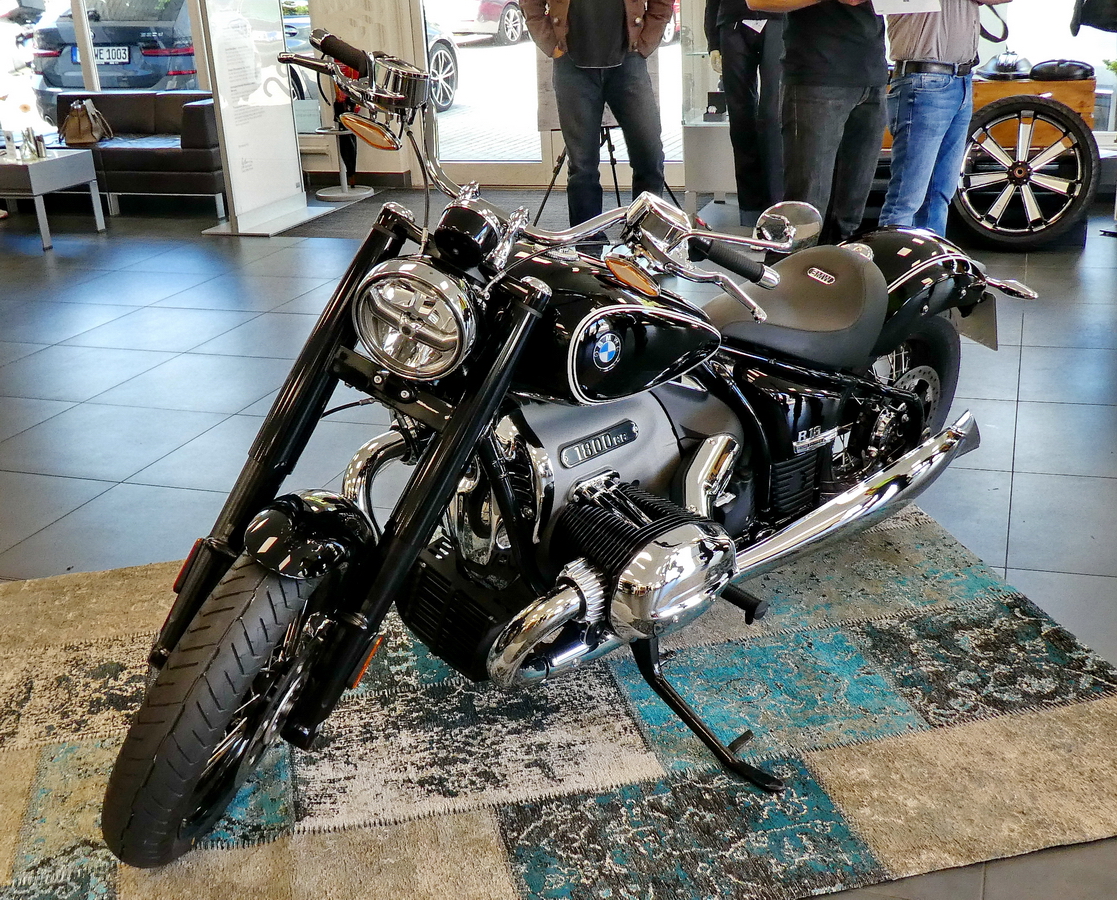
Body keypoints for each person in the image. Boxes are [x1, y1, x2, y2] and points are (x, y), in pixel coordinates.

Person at [746, 0, 887, 244]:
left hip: (872, 73)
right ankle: (793, 267)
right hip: (817, 74)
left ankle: (836, 264)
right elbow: (756, 1)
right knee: (806, 211)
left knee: (850, 213)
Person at [522, 0, 671, 227]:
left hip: (629, 61)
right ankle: (587, 241)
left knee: (650, 155)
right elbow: (530, 4)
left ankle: (645, 235)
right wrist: (550, 43)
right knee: (582, 167)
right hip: (572, 64)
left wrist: (647, 40)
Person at [878, 0, 1013, 236]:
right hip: (923, 78)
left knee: (938, 194)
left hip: (960, 79)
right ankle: (891, 259)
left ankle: (932, 257)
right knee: (906, 199)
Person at [704, 0, 785, 225]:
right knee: (740, 118)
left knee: (773, 117)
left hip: (778, 18)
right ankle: (749, 209)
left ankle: (777, 207)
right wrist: (713, 42)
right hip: (732, 21)